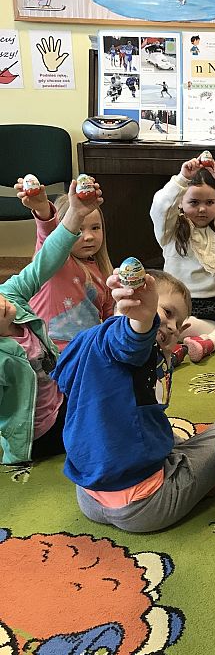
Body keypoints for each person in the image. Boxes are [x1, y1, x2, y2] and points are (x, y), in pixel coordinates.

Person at [53, 269, 215, 533]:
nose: (172, 326)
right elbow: (130, 339)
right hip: (145, 506)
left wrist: (161, 341)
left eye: (179, 324)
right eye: (168, 312)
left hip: (89, 497)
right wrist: (142, 320)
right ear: (134, 301)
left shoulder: (89, 341)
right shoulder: (123, 339)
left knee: (168, 433)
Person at [0, 179, 103, 465]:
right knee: (106, 420)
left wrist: (76, 213)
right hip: (38, 436)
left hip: (59, 400)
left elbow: (48, 257)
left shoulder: (11, 294)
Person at [150, 157, 215, 363]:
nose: (202, 209)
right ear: (180, 203)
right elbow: (160, 207)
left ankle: (209, 342)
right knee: (172, 323)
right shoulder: (170, 229)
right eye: (194, 202)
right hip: (187, 304)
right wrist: (182, 179)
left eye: (209, 203)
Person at [14, 180, 113, 351]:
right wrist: (43, 209)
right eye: (79, 230)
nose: (89, 236)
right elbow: (50, 238)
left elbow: (111, 319)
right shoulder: (56, 261)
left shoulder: (105, 273)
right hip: (45, 352)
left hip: (83, 352)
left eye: (95, 228)